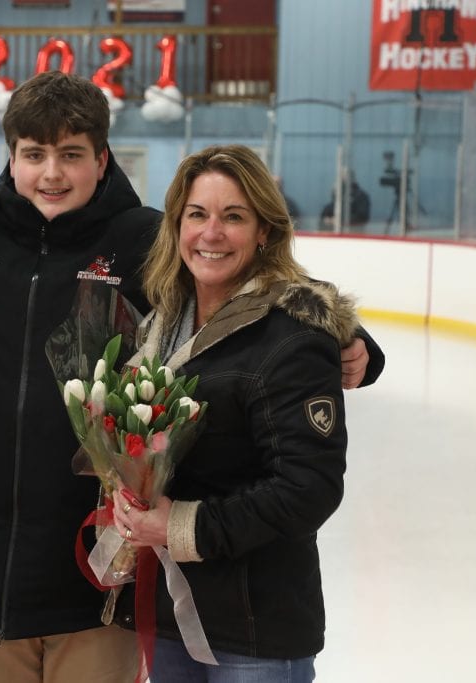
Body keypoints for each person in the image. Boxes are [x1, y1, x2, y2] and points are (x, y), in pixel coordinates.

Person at [0, 71, 383, 683]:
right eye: (34, 155)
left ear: (101, 159)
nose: (52, 173)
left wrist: (352, 339)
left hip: (99, 580)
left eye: (71, 155)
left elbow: (264, 289)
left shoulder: (143, 238)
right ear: (11, 158)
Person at [110, 144, 372, 681]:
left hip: (256, 629)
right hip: (172, 612)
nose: (211, 233)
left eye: (233, 217)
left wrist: (183, 526)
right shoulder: (161, 325)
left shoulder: (293, 336)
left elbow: (309, 487)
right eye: (197, 215)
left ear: (264, 232)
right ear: (176, 226)